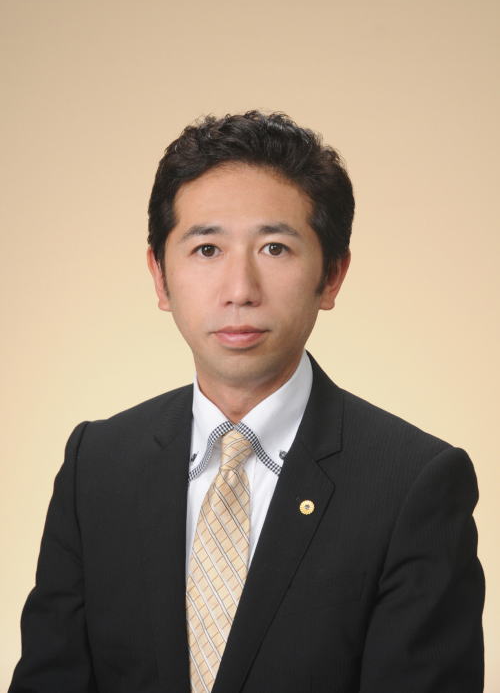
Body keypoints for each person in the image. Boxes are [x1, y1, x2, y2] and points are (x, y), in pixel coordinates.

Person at [9, 111, 484, 693]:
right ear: (160, 276)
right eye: (207, 248)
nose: (239, 290)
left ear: (332, 275)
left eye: (275, 248)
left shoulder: (413, 483)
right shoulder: (98, 465)